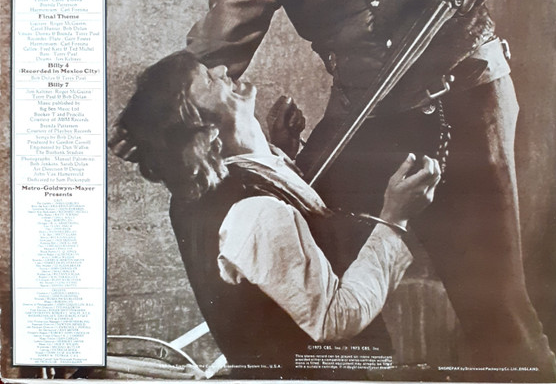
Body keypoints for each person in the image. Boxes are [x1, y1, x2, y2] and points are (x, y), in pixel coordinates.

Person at [185, 0, 556, 380]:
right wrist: (161, 114)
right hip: (362, 120)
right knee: (305, 263)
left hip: (466, 96)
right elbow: (207, 60)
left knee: (493, 305)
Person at [110, 50, 441, 379]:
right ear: (208, 132)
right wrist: (395, 218)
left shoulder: (203, 190)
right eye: (209, 80)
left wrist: (282, 148)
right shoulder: (255, 213)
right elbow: (335, 318)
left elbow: (283, 243)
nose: (223, 68)